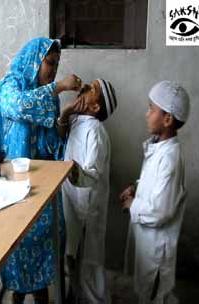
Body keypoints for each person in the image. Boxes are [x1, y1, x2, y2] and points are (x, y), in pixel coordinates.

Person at [0, 37, 82, 303]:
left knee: (54, 230)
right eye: (49, 62)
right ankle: (18, 291)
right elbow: (15, 105)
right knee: (17, 238)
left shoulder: (48, 96)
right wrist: (58, 88)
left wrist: (64, 118)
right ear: (35, 60)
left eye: (56, 64)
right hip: (12, 181)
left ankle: (42, 289)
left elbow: (52, 143)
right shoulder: (12, 84)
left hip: (42, 181)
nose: (52, 69)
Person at [119, 81, 190, 304]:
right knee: (147, 292)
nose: (146, 113)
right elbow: (152, 182)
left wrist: (133, 205)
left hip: (157, 249)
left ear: (167, 119)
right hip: (147, 243)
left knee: (156, 295)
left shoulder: (169, 158)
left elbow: (160, 212)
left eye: (151, 108)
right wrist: (136, 186)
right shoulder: (159, 147)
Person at [58, 79, 117, 304]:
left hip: (88, 202)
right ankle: (78, 294)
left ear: (95, 107)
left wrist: (73, 172)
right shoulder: (77, 120)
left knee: (90, 258)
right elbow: (62, 133)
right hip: (72, 196)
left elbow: (92, 173)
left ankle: (95, 298)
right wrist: (68, 111)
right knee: (72, 253)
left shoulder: (96, 131)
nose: (85, 88)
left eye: (93, 89)